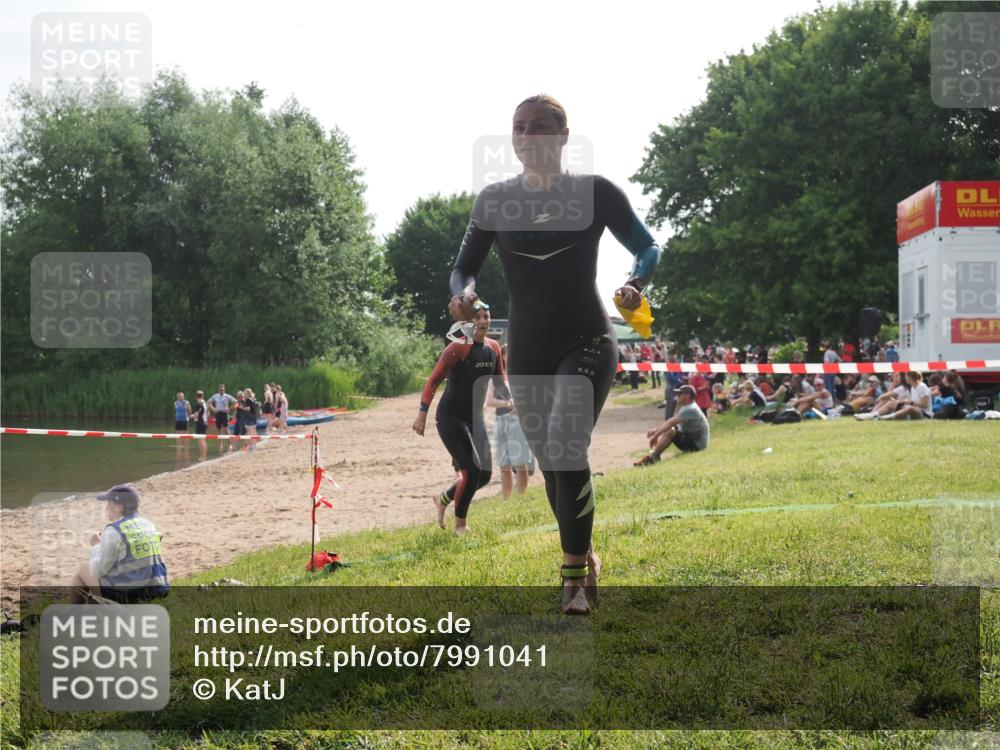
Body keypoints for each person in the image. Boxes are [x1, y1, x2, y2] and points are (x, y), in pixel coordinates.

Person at [447, 94, 661, 614]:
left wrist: (635, 282)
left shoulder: (594, 192)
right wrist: (463, 294)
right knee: (553, 465)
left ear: (563, 136)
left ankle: (570, 580)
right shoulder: (494, 201)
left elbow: (648, 244)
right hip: (530, 351)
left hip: (587, 339)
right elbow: (463, 268)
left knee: (568, 446)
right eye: (519, 127)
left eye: (539, 126)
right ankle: (584, 554)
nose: (527, 135)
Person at [413, 303, 502, 535]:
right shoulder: (457, 348)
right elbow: (433, 380)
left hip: (475, 418)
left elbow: (500, 383)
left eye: (486, 316)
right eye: (477, 317)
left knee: (484, 475)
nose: (482, 321)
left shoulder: (493, 348)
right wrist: (422, 414)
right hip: (450, 417)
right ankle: (460, 526)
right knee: (471, 471)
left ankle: (443, 498)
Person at [69, 484, 169, 605]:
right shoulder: (148, 524)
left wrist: (96, 546)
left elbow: (99, 571)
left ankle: (75, 612)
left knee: (83, 569)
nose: (106, 509)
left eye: (109, 505)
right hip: (157, 589)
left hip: (132, 594)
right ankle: (90, 607)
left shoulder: (114, 530)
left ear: (119, 507)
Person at [486, 344, 533, 500]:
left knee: (520, 462)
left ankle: (522, 496)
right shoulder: (496, 378)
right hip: (500, 420)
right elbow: (489, 401)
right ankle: (506, 498)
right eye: (505, 354)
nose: (507, 358)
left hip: (516, 420)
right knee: (504, 464)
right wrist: (507, 404)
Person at [634, 385, 710, 466]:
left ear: (687, 396)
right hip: (694, 441)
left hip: (697, 446)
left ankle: (653, 457)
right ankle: (654, 456)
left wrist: (655, 436)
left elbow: (670, 423)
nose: (677, 396)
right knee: (670, 429)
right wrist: (656, 431)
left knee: (670, 431)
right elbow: (673, 421)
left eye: (679, 394)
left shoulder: (690, 409)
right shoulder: (687, 407)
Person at [855, 371, 931, 420]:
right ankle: (873, 415)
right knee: (892, 403)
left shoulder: (922, 387)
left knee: (909, 408)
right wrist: (903, 402)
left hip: (925, 414)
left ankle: (884, 417)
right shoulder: (912, 388)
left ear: (910, 377)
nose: (905, 378)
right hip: (915, 409)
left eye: (906, 376)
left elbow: (924, 405)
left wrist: (908, 402)